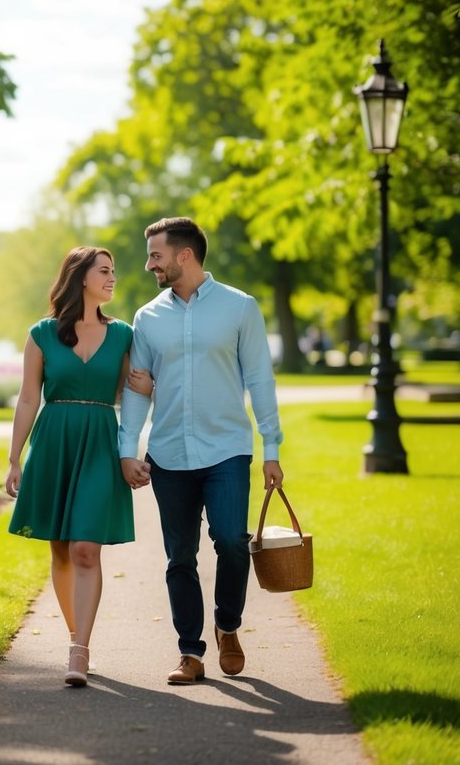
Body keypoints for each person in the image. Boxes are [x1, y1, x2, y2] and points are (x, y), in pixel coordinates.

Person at [118, 216, 284, 685]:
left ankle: (227, 625)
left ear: (183, 255)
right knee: (179, 557)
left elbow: (259, 379)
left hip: (227, 449)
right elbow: (137, 388)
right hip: (168, 453)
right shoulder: (147, 317)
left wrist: (271, 446)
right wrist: (129, 448)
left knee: (232, 542)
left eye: (156, 255)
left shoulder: (240, 308)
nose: (149, 264)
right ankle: (190, 652)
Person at [6, 246, 150, 687]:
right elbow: (30, 397)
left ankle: (79, 649)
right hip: (53, 442)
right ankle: (75, 633)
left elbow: (134, 396)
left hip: (100, 444)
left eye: (113, 272)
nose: (112, 278)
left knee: (87, 547)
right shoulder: (42, 334)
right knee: (61, 548)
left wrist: (148, 389)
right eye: (104, 271)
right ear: (79, 276)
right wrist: (14, 458)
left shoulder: (125, 334)